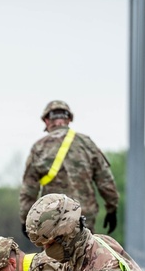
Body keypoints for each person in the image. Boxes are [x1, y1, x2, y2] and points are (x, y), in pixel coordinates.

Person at [19, 100, 120, 237]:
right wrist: (111, 208)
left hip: (52, 220)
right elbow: (105, 181)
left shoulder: (39, 148)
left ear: (47, 121)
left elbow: (29, 190)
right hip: (83, 219)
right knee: (84, 256)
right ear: (69, 119)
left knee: (53, 258)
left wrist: (25, 220)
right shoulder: (86, 143)